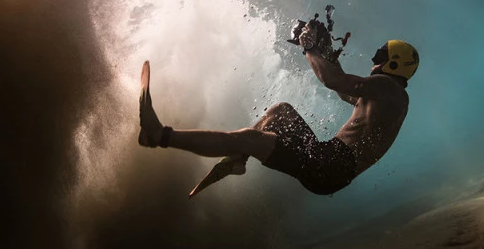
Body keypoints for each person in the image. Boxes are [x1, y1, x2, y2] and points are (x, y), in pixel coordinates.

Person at [138, 24, 418, 196]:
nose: (373, 59)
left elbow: (332, 80)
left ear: (395, 63)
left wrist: (309, 48)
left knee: (250, 137)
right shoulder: (389, 98)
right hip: (331, 164)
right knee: (280, 111)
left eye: (381, 56)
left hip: (331, 166)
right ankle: (237, 158)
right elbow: (342, 89)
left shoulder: (388, 87)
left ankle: (159, 135)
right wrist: (329, 55)